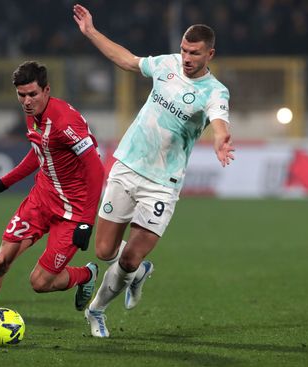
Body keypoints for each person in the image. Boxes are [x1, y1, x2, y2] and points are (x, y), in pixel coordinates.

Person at [73, 4, 235, 337]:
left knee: (128, 258)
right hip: (127, 166)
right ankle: (140, 271)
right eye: (184, 50)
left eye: (194, 53)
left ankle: (97, 309)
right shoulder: (167, 64)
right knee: (104, 252)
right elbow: (127, 60)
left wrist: (220, 138)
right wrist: (91, 32)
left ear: (210, 54)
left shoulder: (215, 91)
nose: (187, 57)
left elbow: (219, 120)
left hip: (163, 183)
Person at [0, 61, 104, 344]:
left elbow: (96, 169)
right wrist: (4, 183)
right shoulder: (32, 114)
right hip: (41, 199)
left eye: (33, 94)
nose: (26, 101)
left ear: (47, 90)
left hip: (72, 211)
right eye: (21, 95)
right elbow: (40, 153)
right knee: (0, 261)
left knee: (40, 283)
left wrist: (86, 221)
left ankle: (86, 275)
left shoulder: (65, 122)